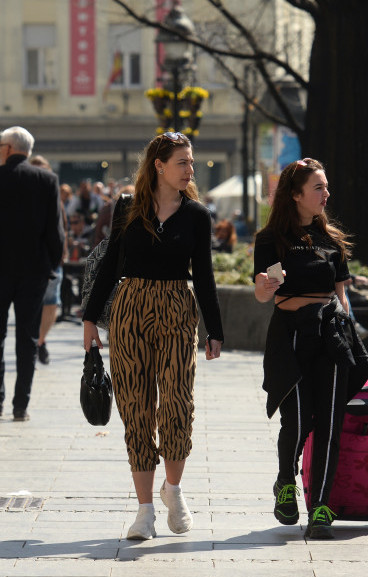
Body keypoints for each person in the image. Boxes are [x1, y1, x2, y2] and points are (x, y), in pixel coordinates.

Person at [82, 131, 224, 541]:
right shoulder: (127, 208)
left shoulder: (197, 214)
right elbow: (110, 266)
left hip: (178, 308)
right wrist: (91, 321)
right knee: (136, 407)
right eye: (182, 162)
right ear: (159, 166)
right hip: (130, 308)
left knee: (178, 402)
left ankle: (173, 491)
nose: (190, 170)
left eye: (191, 163)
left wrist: (214, 330)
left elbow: (207, 276)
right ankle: (145, 510)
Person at [252, 157, 368, 540]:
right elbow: (260, 293)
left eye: (326, 186)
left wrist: (351, 336)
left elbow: (342, 295)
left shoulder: (332, 240)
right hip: (290, 335)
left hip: (331, 336)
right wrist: (265, 286)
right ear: (296, 194)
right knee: (299, 420)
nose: (326, 194)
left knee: (331, 423)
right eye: (318, 187)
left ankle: (320, 505)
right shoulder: (270, 239)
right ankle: (286, 479)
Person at [0, 126, 64, 422]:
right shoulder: (47, 180)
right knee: (27, 337)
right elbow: (55, 231)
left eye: (1, 146)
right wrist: (51, 265)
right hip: (33, 272)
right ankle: (20, 405)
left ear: (8, 148)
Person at [28, 155, 62, 365]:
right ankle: (32, 342)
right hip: (29, 259)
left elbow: (61, 225)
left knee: (51, 303)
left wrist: (62, 251)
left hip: (52, 258)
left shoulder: (54, 194)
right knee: (31, 304)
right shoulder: (23, 198)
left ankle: (40, 341)